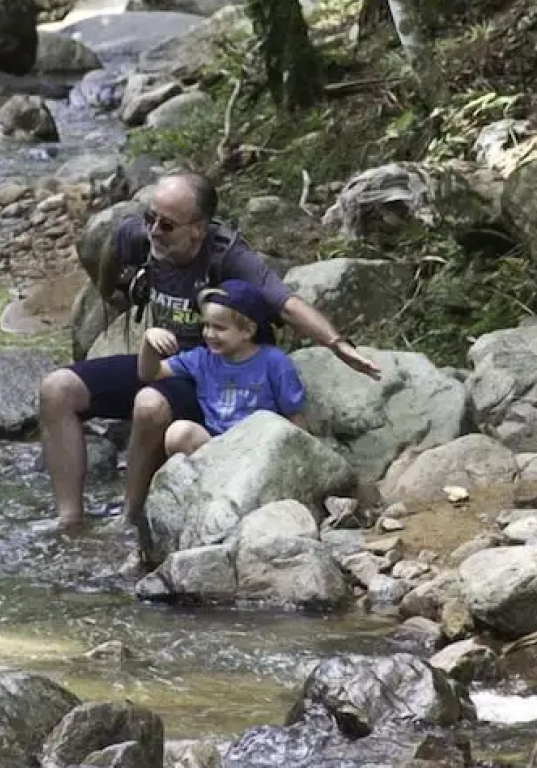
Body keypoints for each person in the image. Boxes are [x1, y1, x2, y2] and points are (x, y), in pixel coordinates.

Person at [37, 170, 381, 536]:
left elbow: (286, 303)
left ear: (197, 229)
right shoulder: (139, 234)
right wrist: (112, 295)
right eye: (150, 217)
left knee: (149, 405)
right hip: (164, 361)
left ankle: (130, 519)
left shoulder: (227, 256)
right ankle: (69, 522)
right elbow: (110, 253)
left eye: (166, 225)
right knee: (57, 389)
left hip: (213, 374)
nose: (153, 230)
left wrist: (338, 344)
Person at [138, 280, 306, 457]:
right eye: (206, 325)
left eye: (219, 328)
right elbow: (150, 373)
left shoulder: (274, 361)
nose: (209, 334)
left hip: (260, 447)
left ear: (248, 331)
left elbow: (293, 415)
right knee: (178, 433)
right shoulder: (202, 358)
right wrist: (148, 342)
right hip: (217, 445)